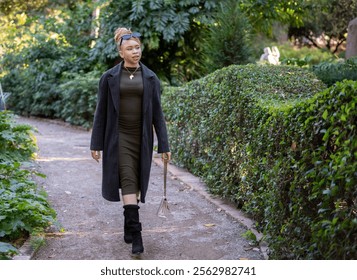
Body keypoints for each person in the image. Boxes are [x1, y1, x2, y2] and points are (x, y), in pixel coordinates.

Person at [90, 27, 171, 256]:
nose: (135, 52)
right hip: (119, 137)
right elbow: (101, 113)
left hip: (142, 138)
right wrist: (95, 143)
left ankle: (128, 221)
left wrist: (164, 145)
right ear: (121, 52)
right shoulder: (109, 78)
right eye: (130, 48)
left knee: (134, 183)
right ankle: (137, 234)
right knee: (127, 178)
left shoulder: (151, 77)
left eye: (137, 47)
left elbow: (157, 113)